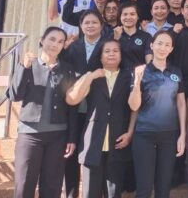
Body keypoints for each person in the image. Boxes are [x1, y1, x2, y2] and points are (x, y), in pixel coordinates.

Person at [8, 27, 77, 198]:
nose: (55, 44)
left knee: (52, 188)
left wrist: (71, 138)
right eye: (52, 39)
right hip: (29, 135)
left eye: (60, 41)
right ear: (42, 40)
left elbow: (72, 106)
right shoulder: (28, 64)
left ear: (64, 46)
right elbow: (15, 95)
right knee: (24, 186)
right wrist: (24, 67)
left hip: (58, 136)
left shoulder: (67, 69)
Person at [66, 39, 133, 198]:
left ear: (121, 55)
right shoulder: (92, 76)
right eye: (107, 51)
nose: (111, 54)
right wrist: (90, 77)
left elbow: (134, 109)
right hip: (92, 143)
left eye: (115, 51)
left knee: (113, 194)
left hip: (118, 142)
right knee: (90, 193)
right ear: (100, 56)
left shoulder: (128, 77)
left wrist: (130, 133)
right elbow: (72, 99)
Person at [129, 31, 187, 198]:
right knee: (144, 189)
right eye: (159, 43)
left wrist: (183, 134)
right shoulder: (141, 70)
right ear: (152, 46)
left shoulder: (176, 71)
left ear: (171, 49)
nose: (163, 48)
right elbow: (134, 105)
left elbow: (181, 103)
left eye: (167, 45)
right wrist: (137, 82)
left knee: (163, 189)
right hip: (144, 135)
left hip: (169, 135)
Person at [60, 10, 107, 197]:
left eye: (94, 22)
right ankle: (71, 194)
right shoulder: (73, 46)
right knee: (70, 153)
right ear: (80, 26)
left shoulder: (108, 45)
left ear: (101, 25)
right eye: (86, 22)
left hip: (98, 106)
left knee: (95, 154)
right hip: (75, 105)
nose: (90, 26)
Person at [114, 2, 153, 69]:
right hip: (118, 74)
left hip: (140, 74)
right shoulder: (113, 35)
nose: (128, 17)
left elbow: (149, 60)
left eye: (132, 14)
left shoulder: (146, 36)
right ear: (120, 17)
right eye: (125, 14)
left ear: (138, 17)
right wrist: (116, 39)